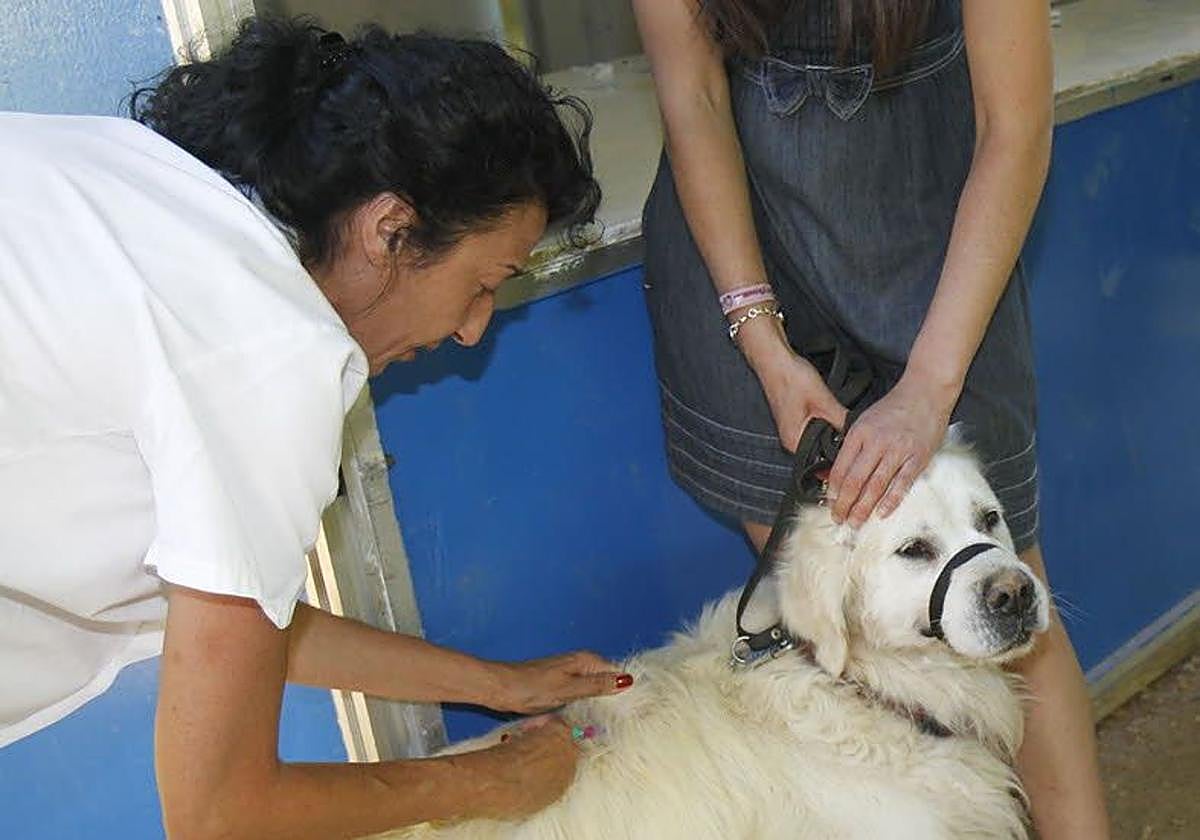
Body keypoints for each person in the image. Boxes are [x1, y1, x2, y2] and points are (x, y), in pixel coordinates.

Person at [0, 17, 634, 838]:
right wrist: (498, 779)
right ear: (389, 229)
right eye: (485, 281)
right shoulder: (272, 355)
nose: (475, 328)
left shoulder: (145, 186)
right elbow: (219, 813)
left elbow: (237, 618)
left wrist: (493, 685)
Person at [631, 0, 1110, 836]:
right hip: (737, 250)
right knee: (847, 626)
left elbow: (1015, 125)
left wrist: (930, 386)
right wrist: (762, 343)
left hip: (940, 233)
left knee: (1009, 599)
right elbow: (696, 102)